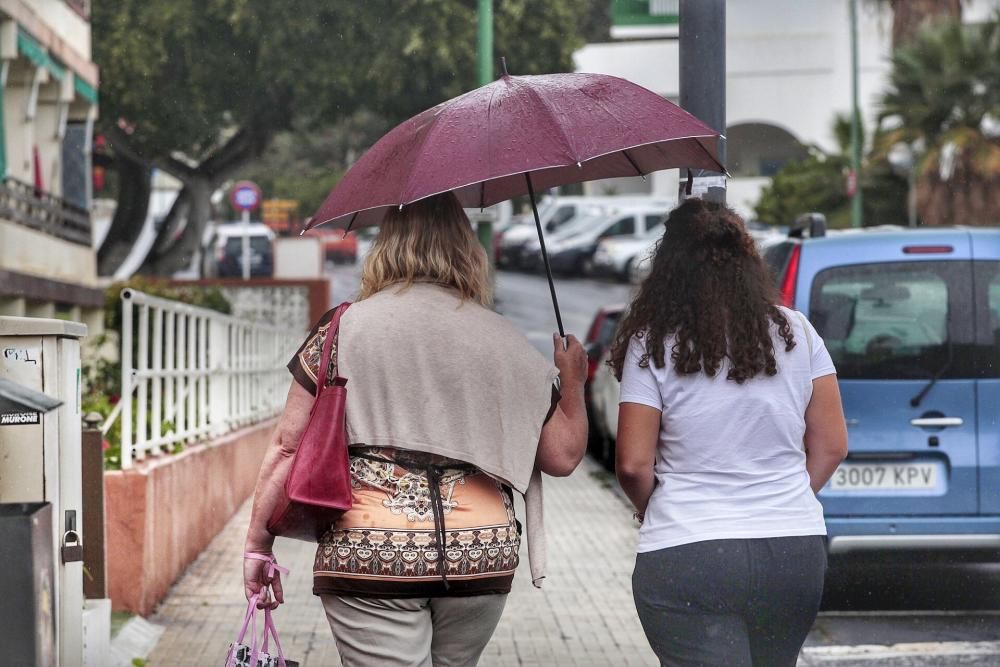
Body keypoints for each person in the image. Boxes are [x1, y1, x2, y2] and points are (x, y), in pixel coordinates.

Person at [242, 192, 589, 667]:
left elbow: (288, 447)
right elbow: (562, 456)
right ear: (468, 250)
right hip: (480, 554)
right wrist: (572, 383)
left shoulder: (344, 329)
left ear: (385, 247)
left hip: (371, 553)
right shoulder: (503, 337)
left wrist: (259, 544)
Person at [609, 199, 848, 667]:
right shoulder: (797, 331)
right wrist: (788, 493)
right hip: (793, 549)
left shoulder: (653, 342)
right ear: (748, 263)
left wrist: (652, 508)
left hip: (689, 551)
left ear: (669, 266)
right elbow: (833, 445)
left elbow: (634, 464)